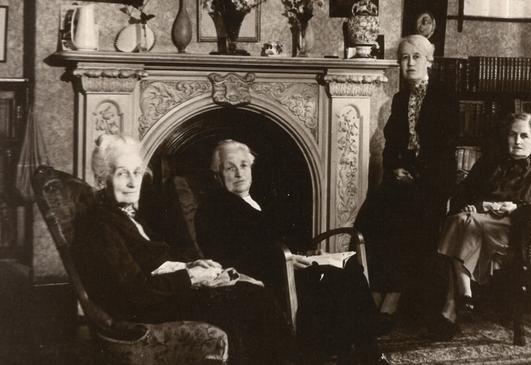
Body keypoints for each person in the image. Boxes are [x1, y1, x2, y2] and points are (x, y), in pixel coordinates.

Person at [73, 134, 291, 365]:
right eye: (121, 173)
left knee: (253, 293)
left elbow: (153, 261)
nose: (132, 182)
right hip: (143, 312)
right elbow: (136, 292)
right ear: (101, 179)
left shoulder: (125, 215)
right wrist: (190, 277)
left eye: (136, 172)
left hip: (164, 295)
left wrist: (191, 265)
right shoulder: (99, 225)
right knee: (246, 302)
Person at [195, 139, 391, 365]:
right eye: (230, 168)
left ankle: (361, 348)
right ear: (218, 175)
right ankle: (366, 348)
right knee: (339, 277)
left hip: (288, 263)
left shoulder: (258, 201)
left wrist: (304, 252)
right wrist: (283, 258)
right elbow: (230, 254)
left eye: (244, 166)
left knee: (349, 267)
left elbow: (278, 236)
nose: (239, 173)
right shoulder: (216, 207)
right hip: (265, 276)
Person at [355, 34, 458, 323]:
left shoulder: (444, 96)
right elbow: (391, 144)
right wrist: (395, 169)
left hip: (433, 180)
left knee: (407, 218)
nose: (409, 63)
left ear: (429, 62)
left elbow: (444, 145)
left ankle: (393, 297)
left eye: (416, 57)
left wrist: (416, 172)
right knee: (370, 216)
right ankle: (376, 291)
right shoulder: (400, 100)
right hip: (403, 178)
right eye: (404, 57)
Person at [435, 113, 531, 340]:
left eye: (525, 136)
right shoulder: (490, 165)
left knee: (462, 223)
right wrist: (473, 205)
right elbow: (462, 193)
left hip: (513, 231)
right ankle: (464, 296)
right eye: (513, 135)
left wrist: (516, 207)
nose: (518, 141)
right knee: (461, 218)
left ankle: (455, 302)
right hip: (479, 224)